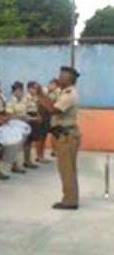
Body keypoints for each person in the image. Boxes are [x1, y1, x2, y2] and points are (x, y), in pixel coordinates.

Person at [37, 67, 81, 210]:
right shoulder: (65, 92)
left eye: (62, 76)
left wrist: (41, 96)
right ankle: (71, 198)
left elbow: (54, 110)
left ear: (69, 79)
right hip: (64, 134)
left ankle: (69, 201)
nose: (59, 78)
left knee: (66, 169)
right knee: (68, 169)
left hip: (66, 135)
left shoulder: (69, 94)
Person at [36, 79, 60, 163]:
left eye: (53, 84)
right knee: (40, 137)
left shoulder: (56, 93)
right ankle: (39, 156)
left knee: (44, 137)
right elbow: (41, 104)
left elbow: (53, 104)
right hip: (41, 116)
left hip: (47, 116)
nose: (50, 85)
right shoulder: (43, 94)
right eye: (50, 84)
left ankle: (41, 156)